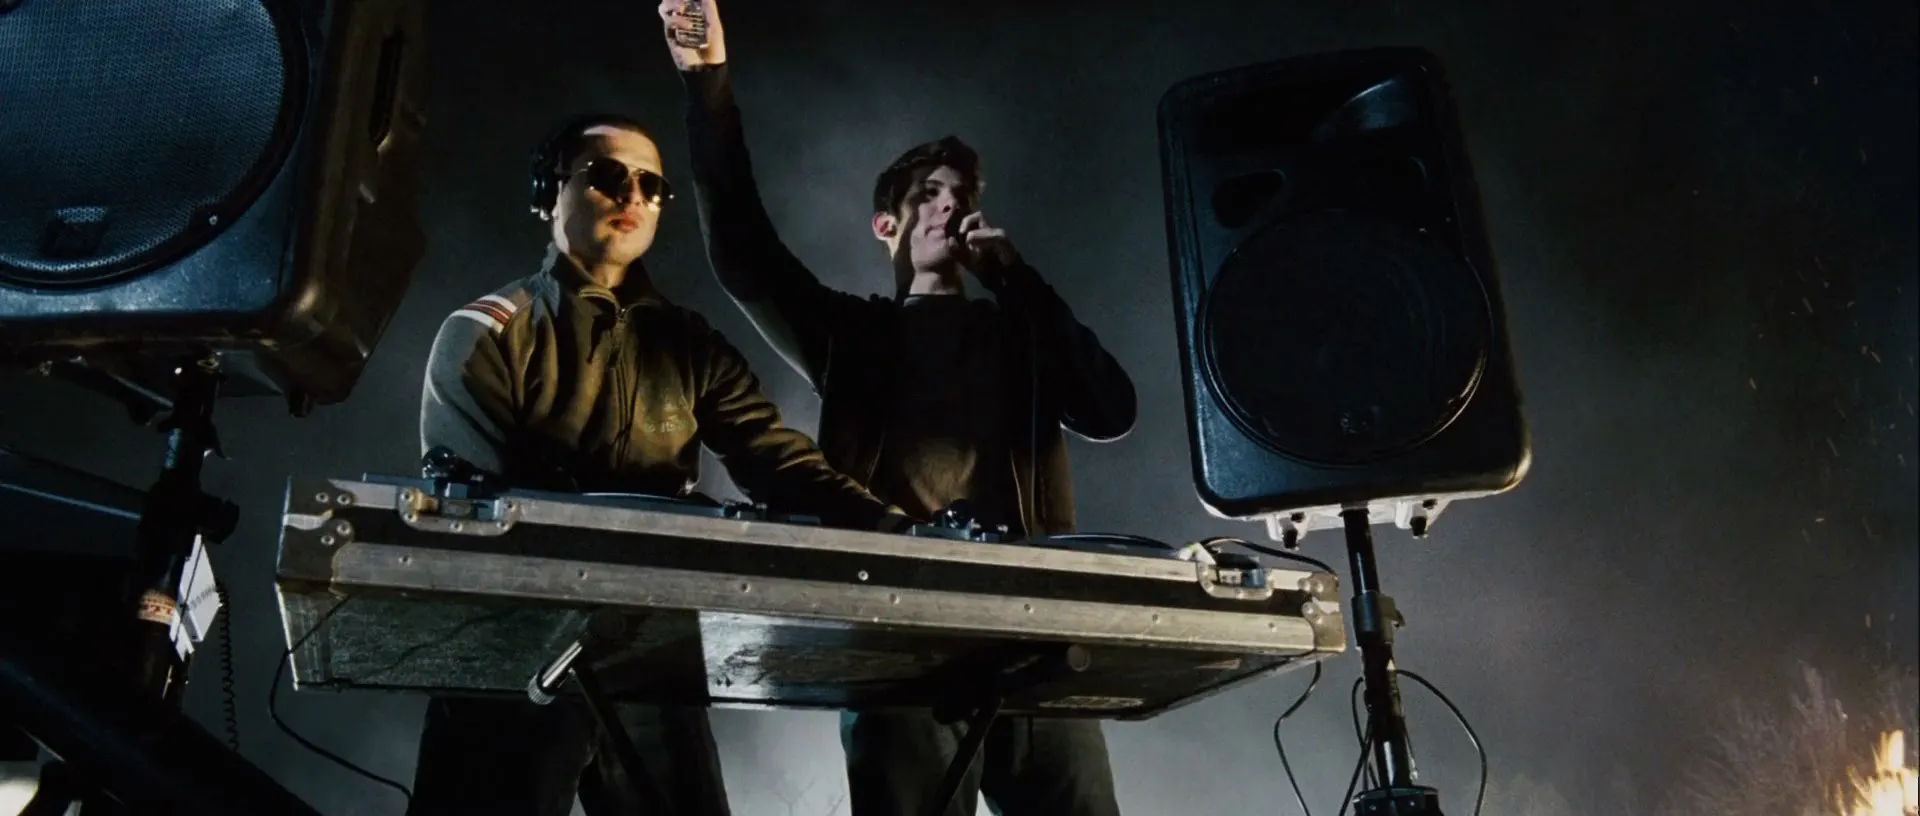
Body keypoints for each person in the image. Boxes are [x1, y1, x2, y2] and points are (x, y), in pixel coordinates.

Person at [658, 3, 1138, 815]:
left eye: (963, 192)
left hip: (1033, 629)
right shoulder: (852, 336)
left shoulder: (1019, 333)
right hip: (898, 632)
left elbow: (1110, 408)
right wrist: (708, 87)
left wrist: (1015, 277)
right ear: (888, 222)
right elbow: (743, 254)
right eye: (929, 192)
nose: (951, 203)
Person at [410, 110, 909, 816]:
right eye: (607, 176)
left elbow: (777, 459)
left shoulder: (689, 344)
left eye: (652, 185)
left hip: (645, 651)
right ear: (549, 193)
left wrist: (895, 529)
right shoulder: (486, 332)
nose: (633, 195)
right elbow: (483, 513)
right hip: (511, 655)